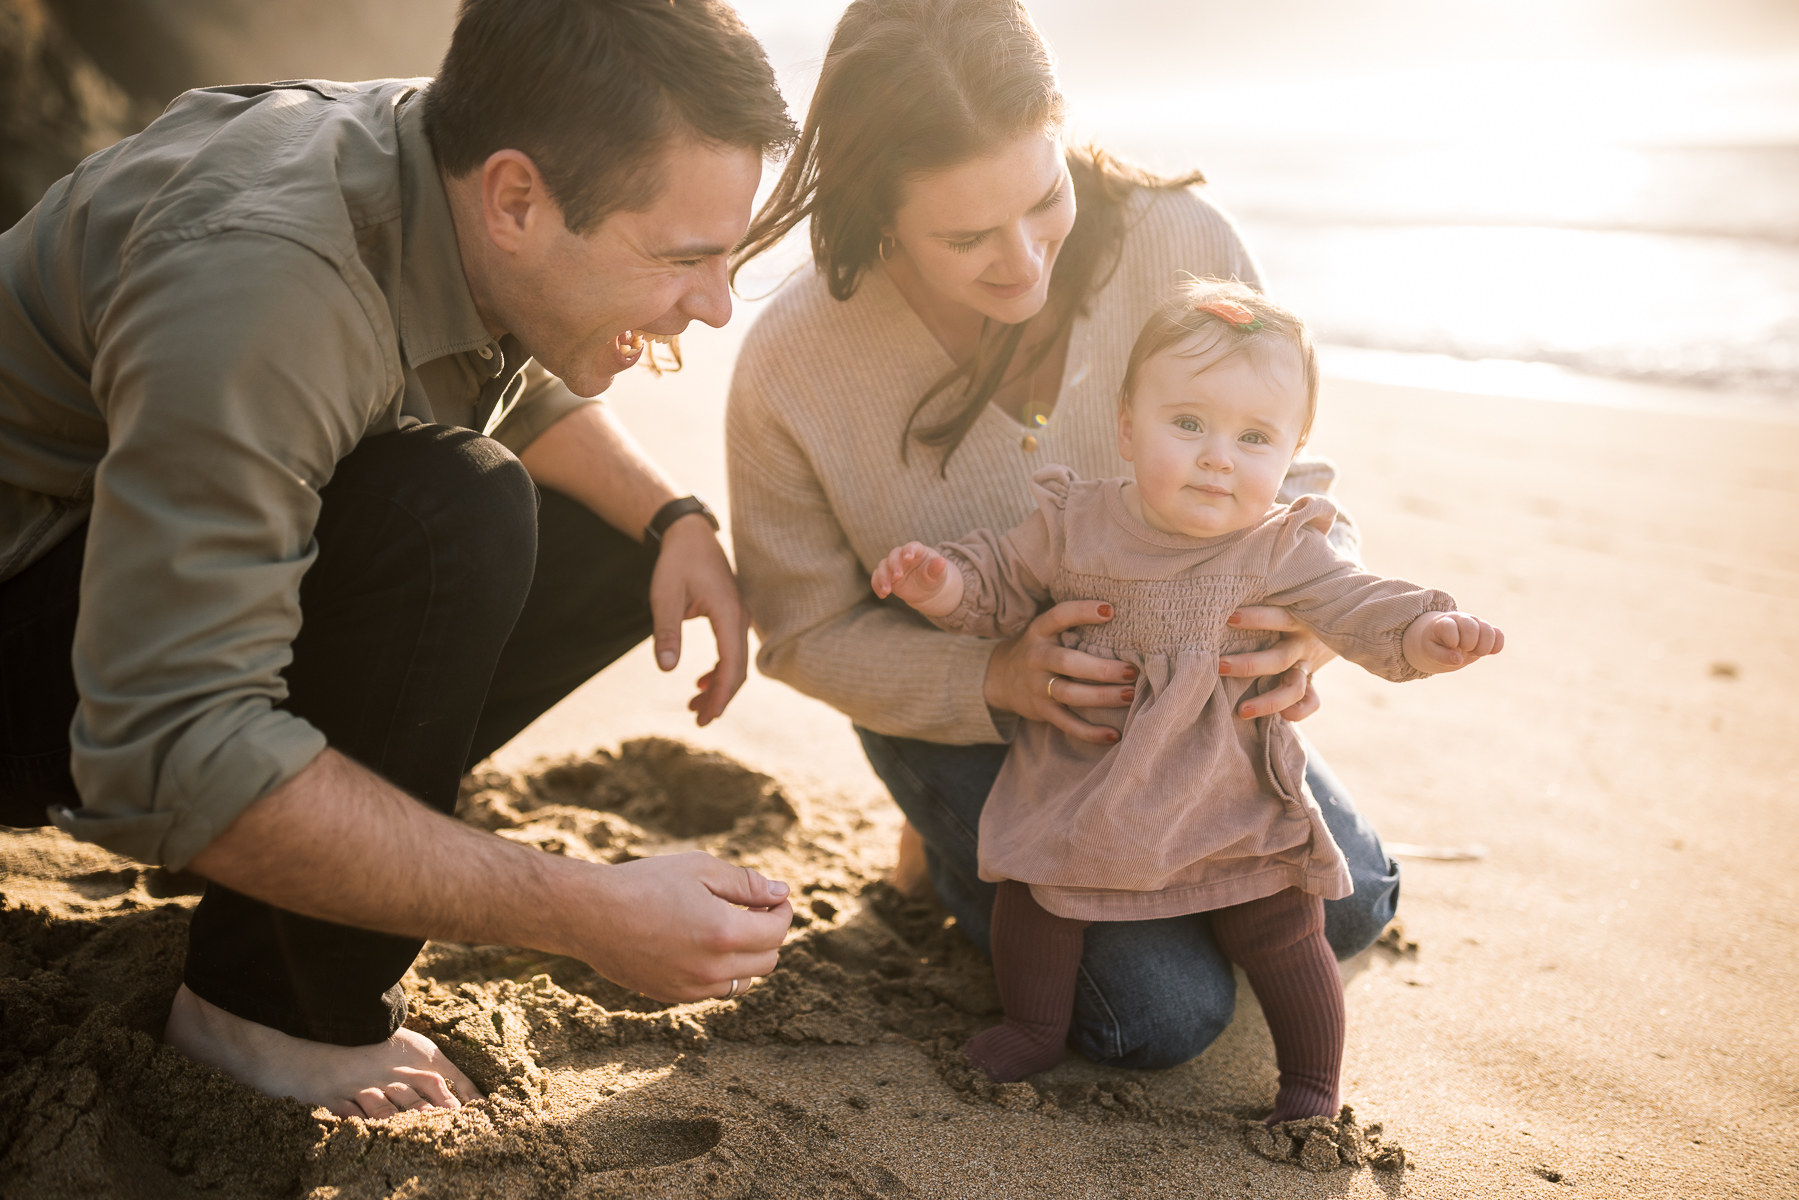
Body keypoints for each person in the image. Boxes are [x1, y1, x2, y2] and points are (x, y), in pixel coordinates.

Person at [0, 0, 800, 1120]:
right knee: (451, 508)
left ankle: (276, 839)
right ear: (517, 196)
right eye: (682, 258)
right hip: (33, 616)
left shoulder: (447, 167)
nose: (714, 308)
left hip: (122, 570)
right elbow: (163, 739)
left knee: (595, 534)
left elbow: (497, 362)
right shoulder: (267, 280)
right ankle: (265, 1010)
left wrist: (674, 520)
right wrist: (585, 910)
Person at [727, 0, 1404, 1071]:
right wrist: (994, 675)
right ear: (878, 210)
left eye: (1045, 201)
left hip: (1189, 706)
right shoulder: (794, 362)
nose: (1023, 263)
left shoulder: (1177, 241)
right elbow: (806, 631)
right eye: (965, 237)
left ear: (1060, 127)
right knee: (1160, 1019)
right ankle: (956, 855)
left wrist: (1310, 623)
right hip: (965, 713)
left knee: (1352, 907)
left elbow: (1290, 478)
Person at [870, 279, 1504, 1117]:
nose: (1218, 457)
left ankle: (1310, 1080)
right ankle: (1033, 1026)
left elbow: (1358, 603)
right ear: (1127, 428)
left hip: (1226, 791)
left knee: (1282, 928)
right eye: (1188, 425)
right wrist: (942, 583)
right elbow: (997, 582)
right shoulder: (1075, 521)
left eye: (1252, 437)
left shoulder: (1281, 544)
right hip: (1083, 777)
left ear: (1290, 451)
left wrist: (1424, 632)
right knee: (1036, 896)